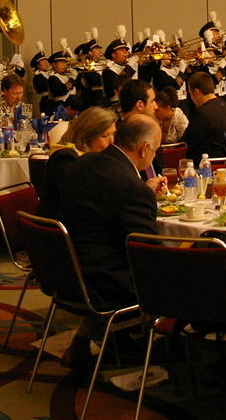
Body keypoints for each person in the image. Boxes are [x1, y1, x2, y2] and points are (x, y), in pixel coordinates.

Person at [58, 114, 162, 371]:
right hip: (106, 283)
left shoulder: (85, 163)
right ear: (144, 148)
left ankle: (101, 338)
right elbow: (148, 256)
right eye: (155, 150)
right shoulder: (131, 187)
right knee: (198, 268)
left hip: (68, 272)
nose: (154, 156)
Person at [38, 106, 116, 217]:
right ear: (86, 136)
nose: (112, 141)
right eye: (105, 136)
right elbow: (79, 201)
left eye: (113, 134)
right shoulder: (65, 159)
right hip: (61, 223)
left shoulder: (97, 158)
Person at [181, 71, 226, 162]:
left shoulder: (202, 113)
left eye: (190, 93)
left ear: (196, 92)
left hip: (206, 164)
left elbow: (188, 144)